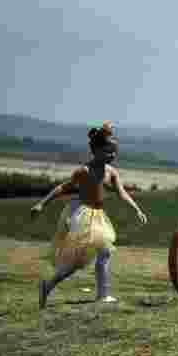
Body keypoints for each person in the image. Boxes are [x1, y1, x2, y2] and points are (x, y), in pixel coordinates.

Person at [30, 122, 148, 308]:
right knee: (97, 253)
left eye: (115, 151)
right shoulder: (84, 171)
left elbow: (121, 192)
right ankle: (97, 294)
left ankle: (53, 286)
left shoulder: (111, 172)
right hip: (82, 214)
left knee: (91, 256)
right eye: (109, 151)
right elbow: (63, 188)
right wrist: (41, 204)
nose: (113, 155)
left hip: (98, 216)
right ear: (96, 150)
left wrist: (137, 208)